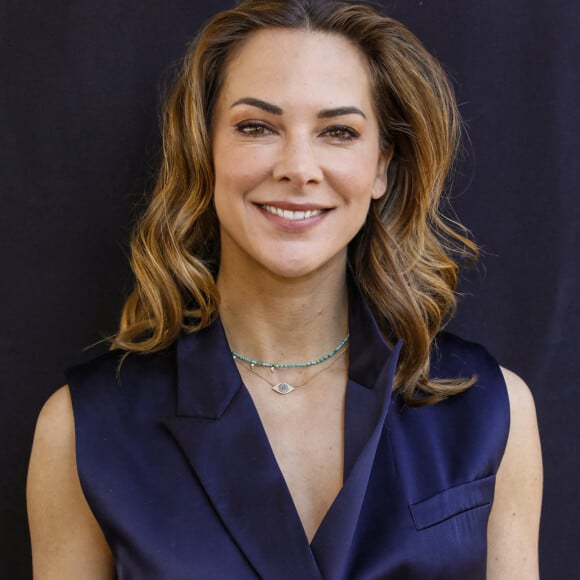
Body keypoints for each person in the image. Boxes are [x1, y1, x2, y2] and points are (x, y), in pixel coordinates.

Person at [26, 0, 543, 578]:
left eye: (339, 132)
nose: (299, 167)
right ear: (205, 151)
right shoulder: (82, 428)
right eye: (257, 127)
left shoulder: (493, 410)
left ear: (381, 167)